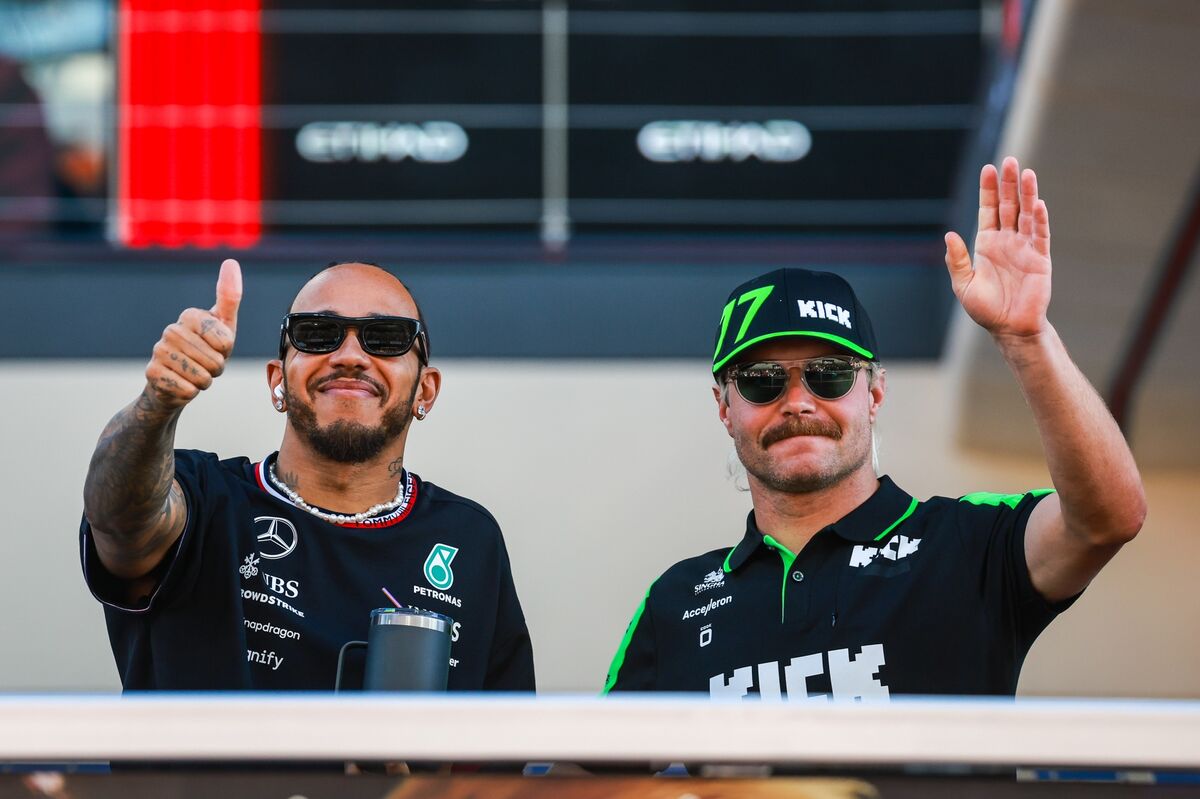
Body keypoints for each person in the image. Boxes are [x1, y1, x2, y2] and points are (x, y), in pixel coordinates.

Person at [603, 157, 1145, 698]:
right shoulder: (674, 602)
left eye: (830, 376)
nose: (799, 402)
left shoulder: (964, 545)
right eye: (764, 381)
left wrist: (1026, 339)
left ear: (875, 392)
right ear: (725, 408)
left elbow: (1109, 518)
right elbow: (582, 776)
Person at [81, 260, 534, 692]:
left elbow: (499, 754)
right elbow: (120, 523)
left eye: (386, 337)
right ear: (277, 380)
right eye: (318, 334)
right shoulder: (203, 499)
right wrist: (157, 403)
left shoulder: (471, 540)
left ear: (426, 391)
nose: (351, 355)